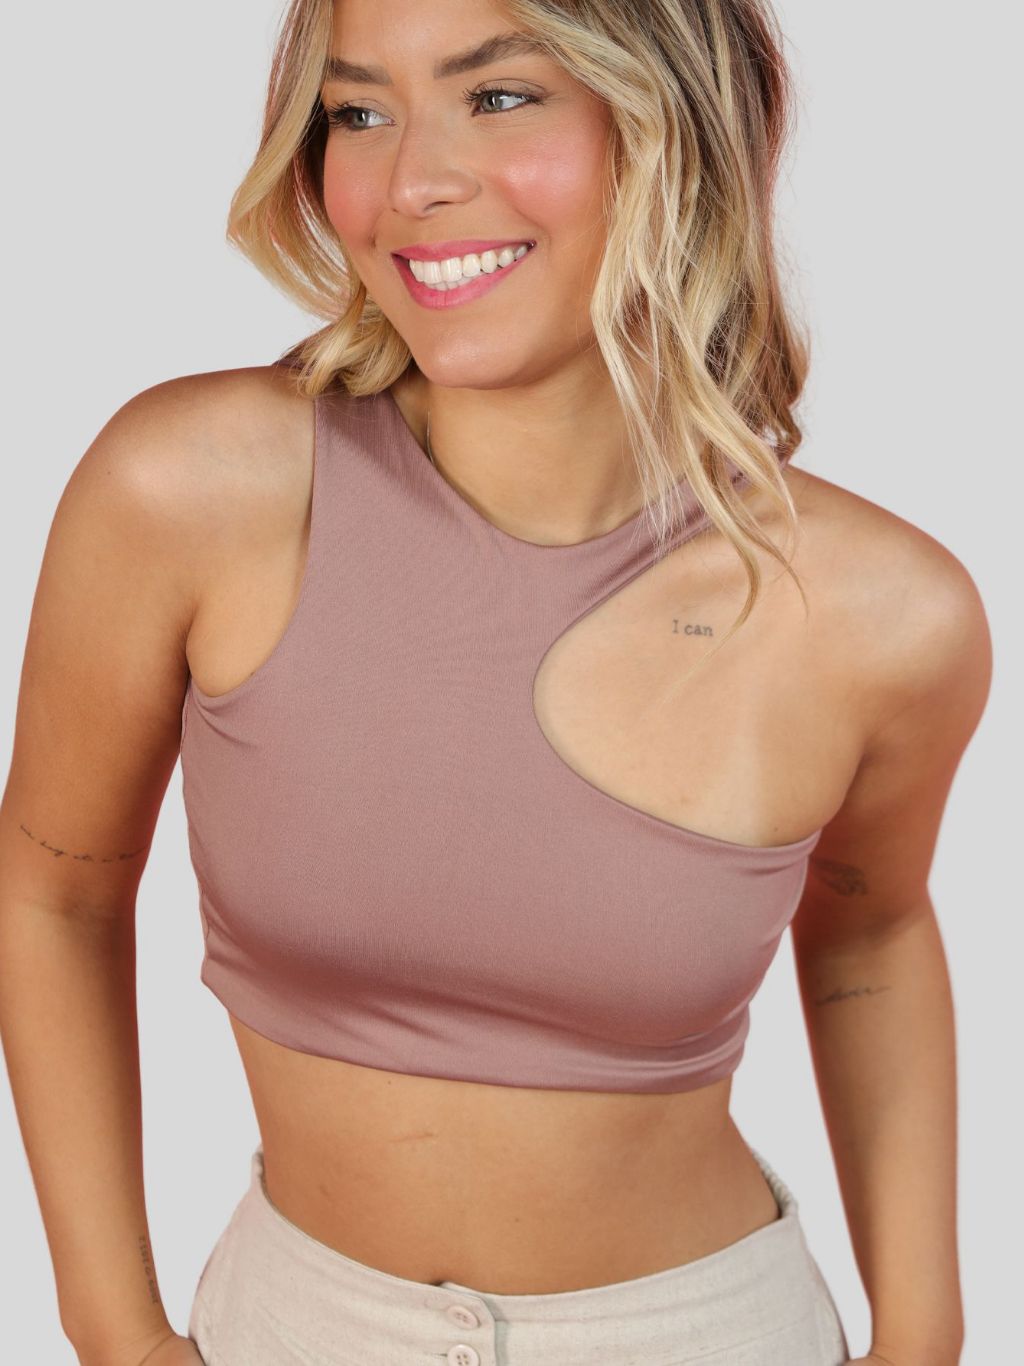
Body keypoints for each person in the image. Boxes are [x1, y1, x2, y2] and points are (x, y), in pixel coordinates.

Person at [0, 0, 989, 1363]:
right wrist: (115, 1333)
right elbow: (51, 890)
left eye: (502, 96)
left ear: (675, 123)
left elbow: (873, 937)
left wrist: (924, 1335)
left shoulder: (885, 618)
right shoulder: (191, 494)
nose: (411, 181)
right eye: (359, 112)